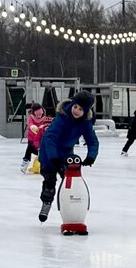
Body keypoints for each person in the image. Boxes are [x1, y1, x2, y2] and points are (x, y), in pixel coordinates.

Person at [36, 91, 98, 222]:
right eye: (75, 106)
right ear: (72, 104)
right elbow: (50, 138)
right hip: (49, 153)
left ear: (86, 111)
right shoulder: (62, 118)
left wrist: (91, 156)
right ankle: (46, 203)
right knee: (50, 181)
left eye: (81, 109)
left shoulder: (85, 123)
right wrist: (53, 157)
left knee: (71, 180)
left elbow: (92, 141)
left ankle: (71, 205)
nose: (76, 111)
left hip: (66, 154)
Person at [21, 102, 48, 171]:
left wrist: (44, 127)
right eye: (37, 114)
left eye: (40, 114)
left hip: (40, 139)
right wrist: (33, 126)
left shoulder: (44, 118)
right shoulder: (31, 118)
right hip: (32, 139)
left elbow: (47, 124)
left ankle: (44, 163)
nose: (39, 116)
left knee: (42, 151)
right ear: (34, 113)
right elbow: (30, 123)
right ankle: (26, 161)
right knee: (29, 149)